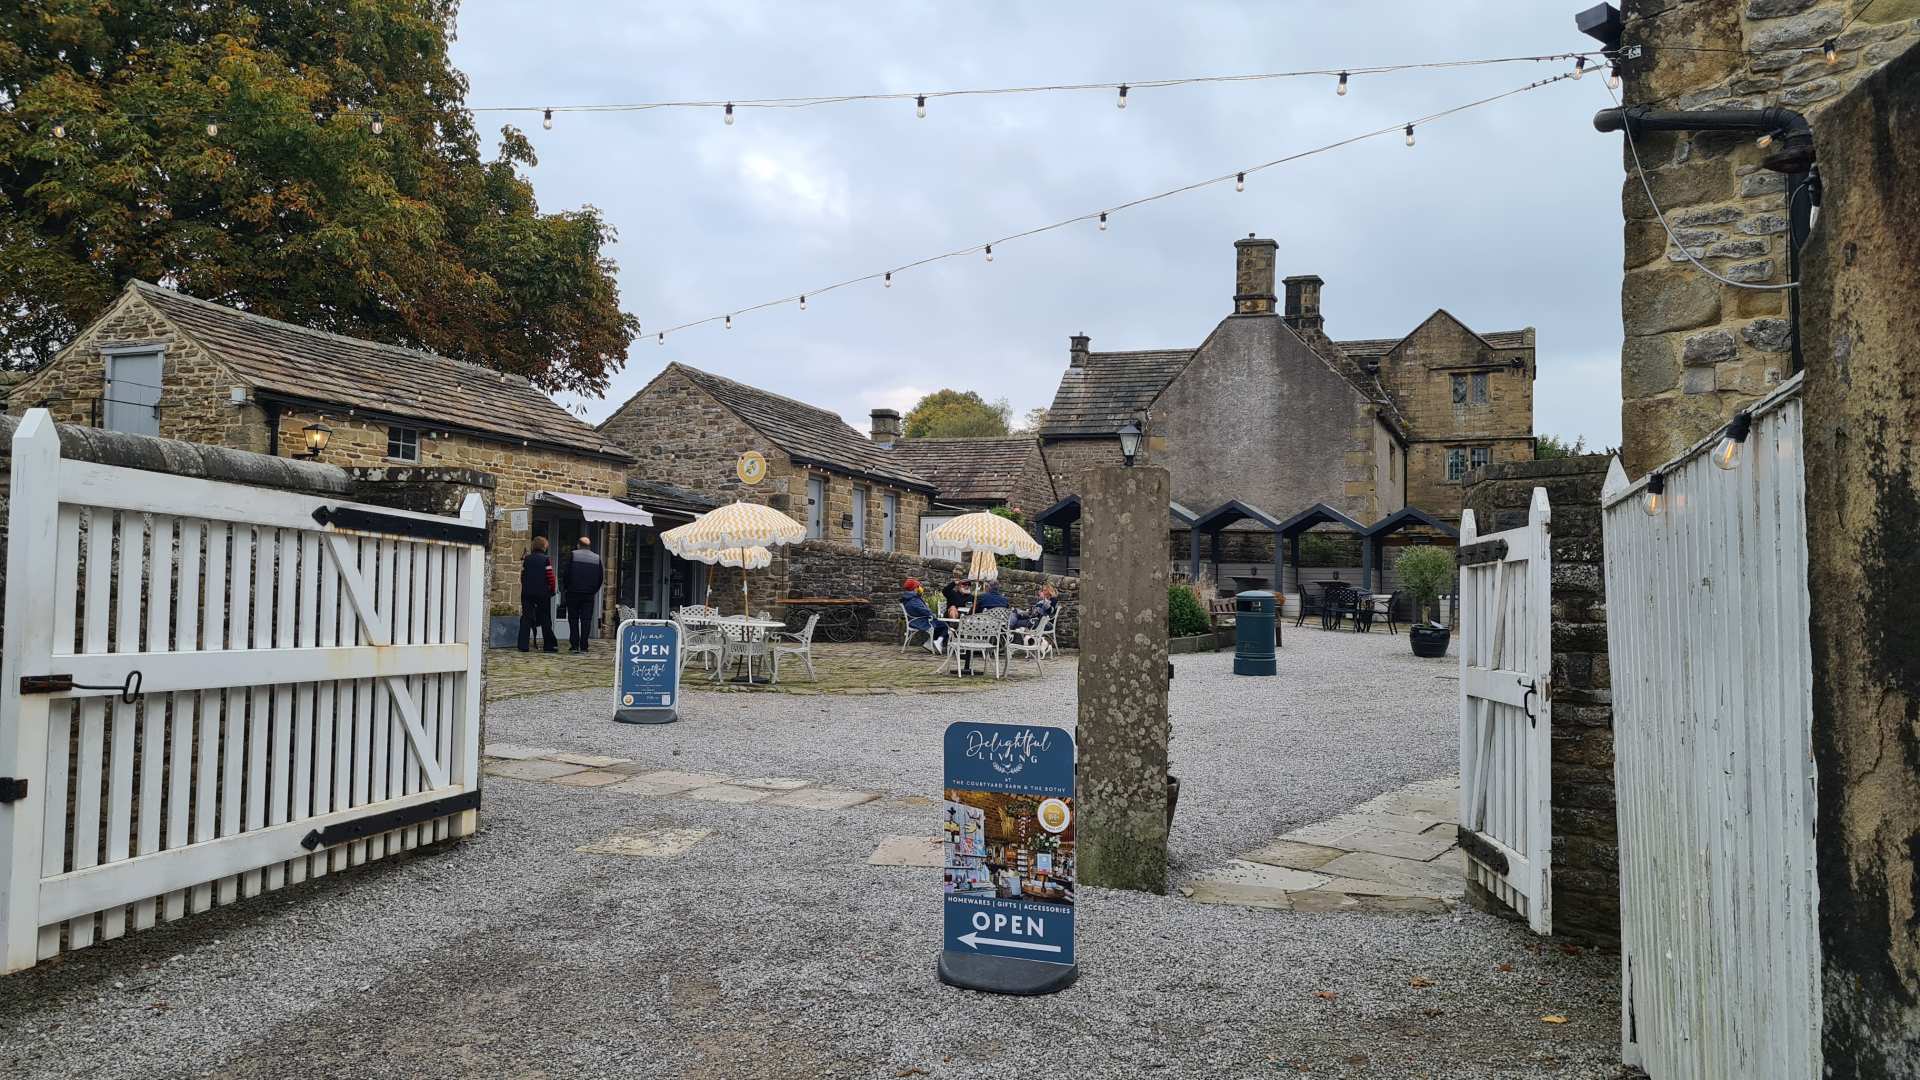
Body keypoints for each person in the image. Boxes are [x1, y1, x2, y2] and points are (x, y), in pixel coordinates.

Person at [560, 535, 604, 653]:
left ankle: (574, 645)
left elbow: (566, 573)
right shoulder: (597, 558)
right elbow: (600, 577)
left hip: (573, 592)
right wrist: (594, 590)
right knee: (586, 619)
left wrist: (566, 587)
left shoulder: (573, 555)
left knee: (573, 619)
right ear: (589, 546)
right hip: (589, 594)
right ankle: (584, 645)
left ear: (578, 545)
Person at [517, 536, 558, 652]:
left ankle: (523, 645)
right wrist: (552, 590)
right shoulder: (546, 559)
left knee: (526, 618)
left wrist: (526, 587)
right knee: (545, 618)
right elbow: (550, 577)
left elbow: (522, 576)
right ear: (544, 546)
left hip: (527, 593)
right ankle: (549, 645)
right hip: (542, 593)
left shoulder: (527, 559)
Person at [901, 578, 949, 654]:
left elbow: (921, 610)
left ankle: (929, 643)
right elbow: (924, 611)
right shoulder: (913, 599)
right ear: (915, 588)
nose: (920, 588)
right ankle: (938, 641)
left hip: (917, 620)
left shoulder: (909, 597)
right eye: (918, 586)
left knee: (939, 624)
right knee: (945, 625)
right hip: (919, 622)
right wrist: (933, 615)